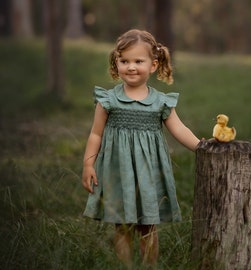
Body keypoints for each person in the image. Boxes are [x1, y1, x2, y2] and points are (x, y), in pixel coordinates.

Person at [82, 29, 200, 267]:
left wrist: (203, 147)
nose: (131, 67)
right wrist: (88, 164)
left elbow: (179, 129)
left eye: (138, 61)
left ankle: (149, 267)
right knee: (122, 225)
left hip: (149, 173)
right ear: (116, 62)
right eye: (124, 61)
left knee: (148, 225)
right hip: (118, 171)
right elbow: (96, 134)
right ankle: (125, 266)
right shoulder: (108, 100)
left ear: (153, 65)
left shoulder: (160, 102)